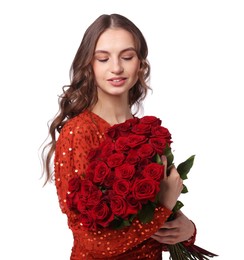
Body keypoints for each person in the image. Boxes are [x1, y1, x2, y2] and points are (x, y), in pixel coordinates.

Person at [42, 13, 196, 259]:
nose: (116, 67)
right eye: (103, 58)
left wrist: (186, 231)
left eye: (127, 57)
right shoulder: (79, 133)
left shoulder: (149, 135)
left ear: (141, 64)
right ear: (89, 65)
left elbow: (149, 224)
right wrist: (163, 208)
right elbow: (91, 241)